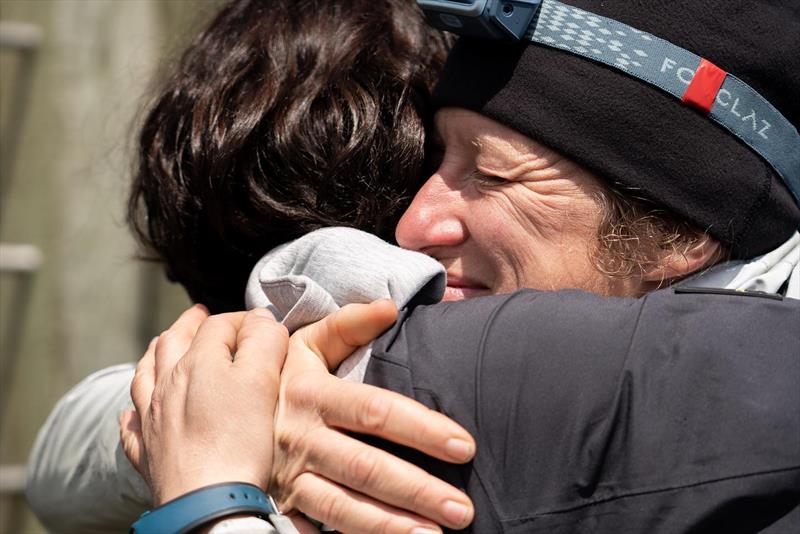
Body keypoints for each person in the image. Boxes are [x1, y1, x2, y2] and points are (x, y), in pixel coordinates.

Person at [27, 0, 800, 532]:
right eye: (441, 158)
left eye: (492, 175)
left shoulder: (504, 375)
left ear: (681, 232)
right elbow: (65, 448)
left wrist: (218, 470)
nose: (412, 224)